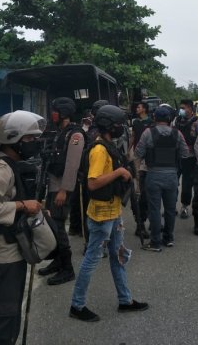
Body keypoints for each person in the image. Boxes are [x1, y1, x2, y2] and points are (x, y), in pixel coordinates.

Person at [0, 110, 45, 345]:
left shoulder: (10, 163)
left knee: (6, 318)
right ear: (14, 139)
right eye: (30, 139)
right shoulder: (1, 168)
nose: (35, 143)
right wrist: (22, 205)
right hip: (0, 258)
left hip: (7, 255)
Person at [69, 105, 148, 322]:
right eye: (117, 125)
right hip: (101, 215)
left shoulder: (108, 145)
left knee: (118, 256)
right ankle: (77, 305)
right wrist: (120, 172)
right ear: (107, 125)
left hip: (113, 213)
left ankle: (125, 300)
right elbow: (93, 183)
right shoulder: (99, 150)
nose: (120, 128)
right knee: (92, 259)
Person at [38, 97, 85, 286]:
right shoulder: (60, 132)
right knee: (51, 225)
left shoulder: (75, 136)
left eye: (55, 111)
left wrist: (64, 190)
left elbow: (72, 166)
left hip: (62, 189)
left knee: (58, 226)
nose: (52, 114)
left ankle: (67, 269)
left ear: (63, 113)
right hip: (53, 186)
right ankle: (57, 261)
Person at [135, 106, 189, 251]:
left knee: (154, 209)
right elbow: (185, 153)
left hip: (153, 175)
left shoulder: (148, 133)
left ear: (154, 118)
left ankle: (155, 242)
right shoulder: (177, 133)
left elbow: (138, 153)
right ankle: (169, 238)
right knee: (171, 209)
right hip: (171, 176)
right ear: (169, 119)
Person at [68, 99, 109, 237]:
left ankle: (78, 227)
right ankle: (86, 231)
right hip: (90, 172)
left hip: (85, 171)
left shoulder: (92, 129)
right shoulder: (96, 132)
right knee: (85, 202)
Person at [173, 99, 198, 219]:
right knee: (172, 183)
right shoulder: (176, 121)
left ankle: (185, 207)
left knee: (187, 184)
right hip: (176, 157)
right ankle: (171, 206)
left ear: (190, 108)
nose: (181, 110)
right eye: (180, 108)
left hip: (190, 158)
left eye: (183, 107)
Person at [130, 101, 152, 239]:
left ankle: (142, 191)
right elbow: (133, 136)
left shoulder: (151, 122)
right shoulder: (135, 122)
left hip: (148, 153)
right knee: (137, 174)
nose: (137, 109)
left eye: (139, 107)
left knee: (145, 174)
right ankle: (139, 191)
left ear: (144, 109)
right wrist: (128, 150)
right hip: (138, 153)